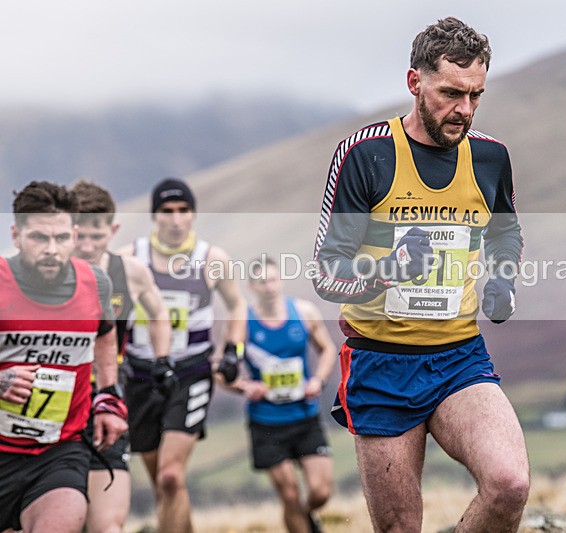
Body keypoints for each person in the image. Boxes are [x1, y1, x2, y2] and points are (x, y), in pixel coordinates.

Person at [312, 17, 530, 532]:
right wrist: (389, 270)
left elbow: (505, 234)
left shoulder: (491, 157)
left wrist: (502, 280)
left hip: (459, 357)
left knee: (509, 485)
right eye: (451, 93)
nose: (465, 110)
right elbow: (326, 273)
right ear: (415, 82)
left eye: (476, 95)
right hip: (381, 362)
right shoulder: (366, 154)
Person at [116, 177, 247, 532]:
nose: (176, 220)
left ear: (193, 214)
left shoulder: (211, 259)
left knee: (171, 476)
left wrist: (232, 351)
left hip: (191, 372)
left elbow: (237, 306)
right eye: (167, 211)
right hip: (141, 375)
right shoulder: (129, 258)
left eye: (183, 210)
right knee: (163, 484)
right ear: (154, 215)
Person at [0, 181, 128, 533]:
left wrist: (108, 396)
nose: (51, 250)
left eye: (60, 238)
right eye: (39, 238)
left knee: (65, 518)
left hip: (58, 451)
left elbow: (105, 334)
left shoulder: (96, 284)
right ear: (16, 235)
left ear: (74, 235)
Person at [70, 180, 172, 533]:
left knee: (107, 523)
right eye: (79, 235)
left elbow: (159, 313)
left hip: (108, 397)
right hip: (59, 401)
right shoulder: (51, 272)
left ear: (112, 230)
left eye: (96, 236)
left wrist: (162, 360)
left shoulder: (129, 271)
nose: (87, 246)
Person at [224, 256, 336, 533]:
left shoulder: (304, 312)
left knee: (321, 492)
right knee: (289, 494)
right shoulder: (243, 322)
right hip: (266, 422)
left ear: (281, 281)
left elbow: (328, 349)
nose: (270, 287)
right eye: (263, 282)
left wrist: (318, 380)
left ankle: (306, 515)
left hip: (304, 415)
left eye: (274, 280)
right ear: (252, 287)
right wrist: (245, 386)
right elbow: (222, 371)